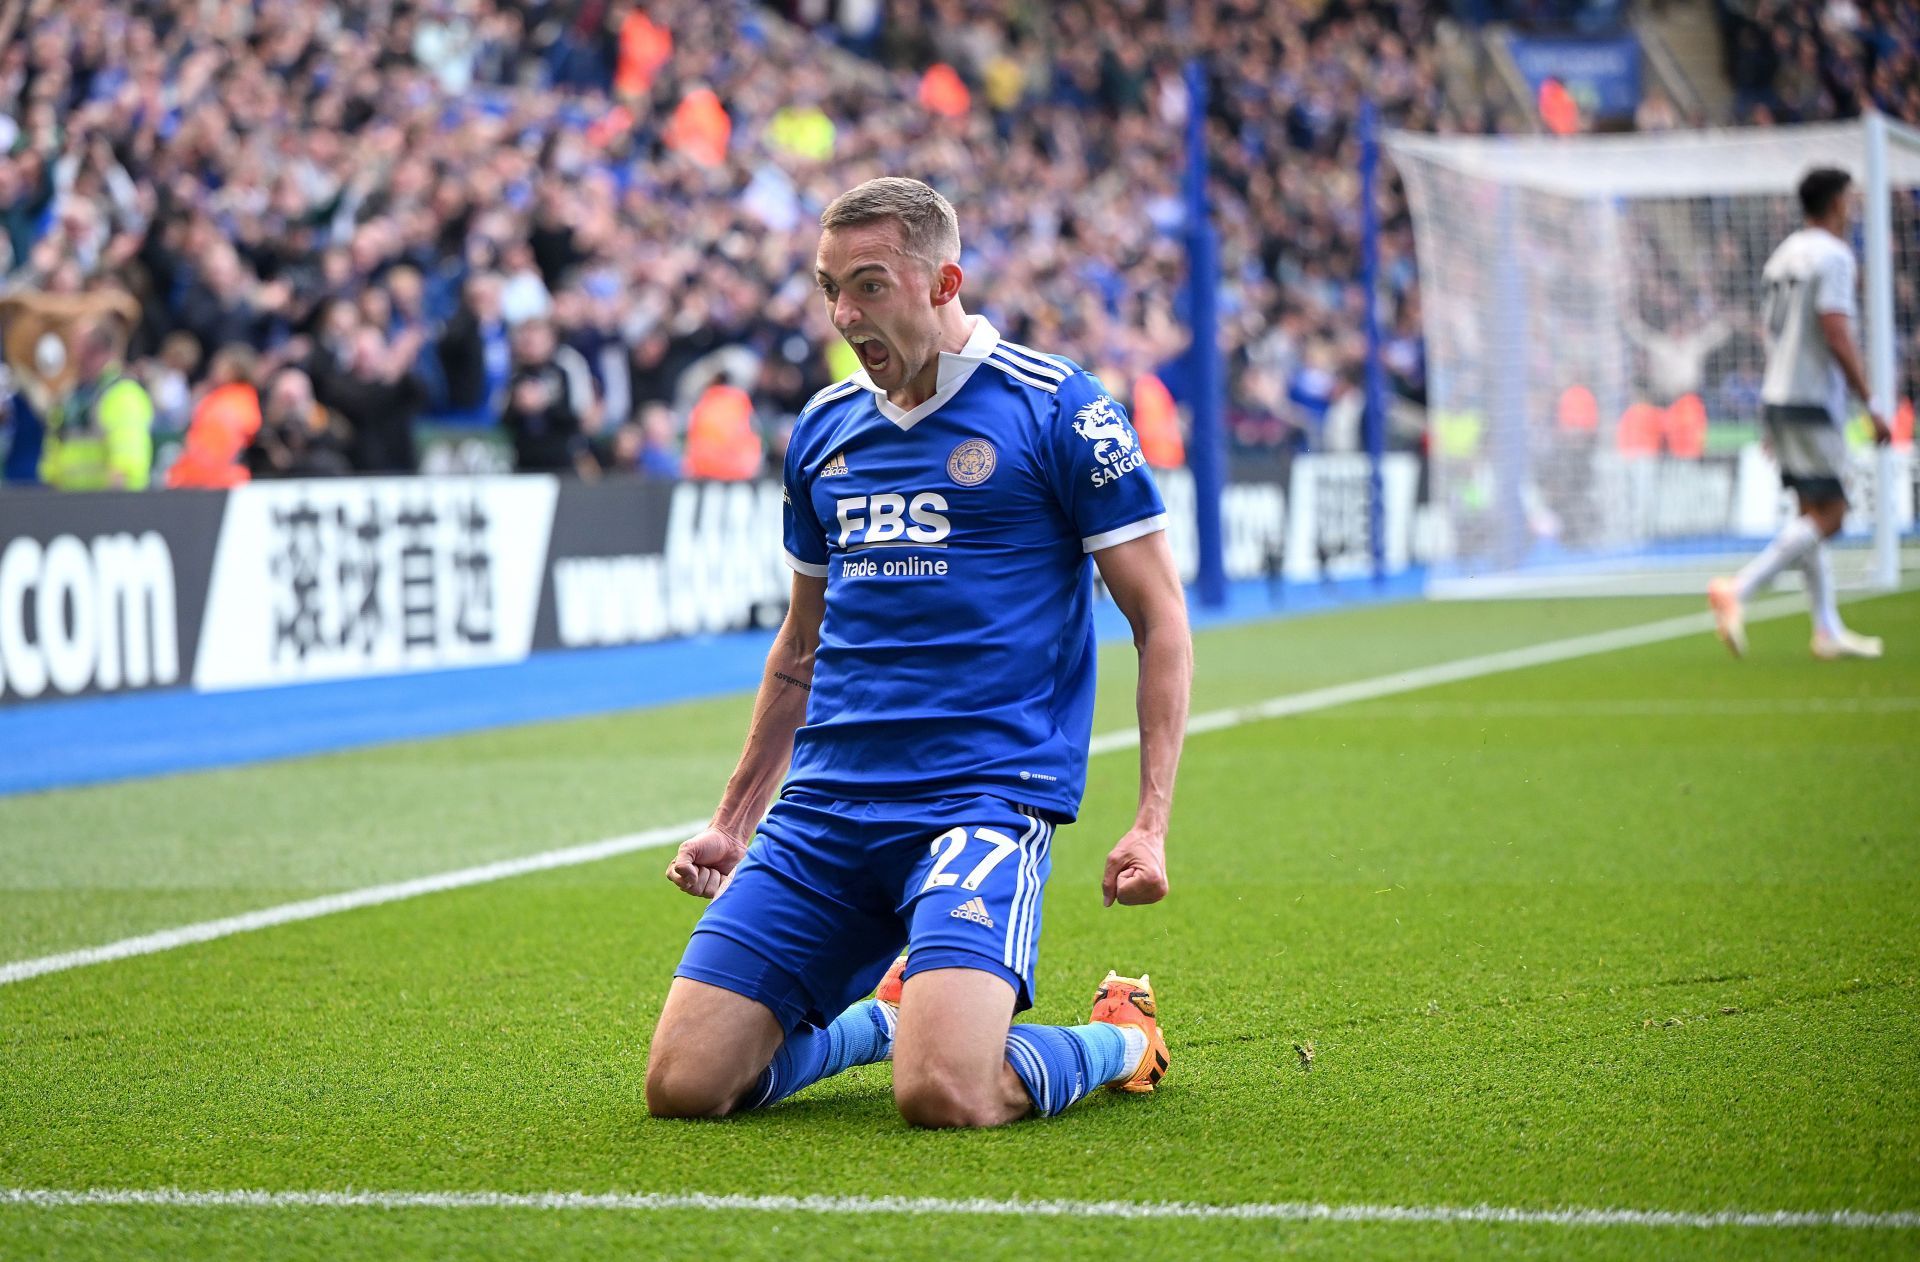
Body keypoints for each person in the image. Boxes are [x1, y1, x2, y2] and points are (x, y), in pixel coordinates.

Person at [646, 177, 1191, 1129]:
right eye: (827, 290)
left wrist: (1149, 822)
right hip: (828, 806)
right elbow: (801, 645)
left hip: (982, 797)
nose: (844, 314)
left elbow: (1159, 618)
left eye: (868, 286)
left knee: (946, 1094)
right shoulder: (823, 429)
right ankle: (881, 1018)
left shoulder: (1056, 407)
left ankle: (1123, 1040)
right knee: (686, 1087)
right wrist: (734, 821)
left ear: (944, 282)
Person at [1709, 168, 1891, 660]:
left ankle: (1826, 630)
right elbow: (1834, 329)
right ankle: (1738, 589)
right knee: (1832, 515)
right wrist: (1870, 402)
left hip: (1778, 395)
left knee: (1809, 514)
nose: (1852, 209)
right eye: (1849, 200)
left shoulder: (1780, 256)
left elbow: (1773, 335)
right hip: (1812, 397)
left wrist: (1770, 413)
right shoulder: (1833, 256)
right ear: (1835, 204)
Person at [39, 319, 154, 490]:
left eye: (81, 351)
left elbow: (128, 463)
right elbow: (53, 453)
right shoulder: (69, 396)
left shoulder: (123, 396)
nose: (74, 359)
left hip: (105, 507)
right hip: (66, 505)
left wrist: (112, 508)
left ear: (99, 352)